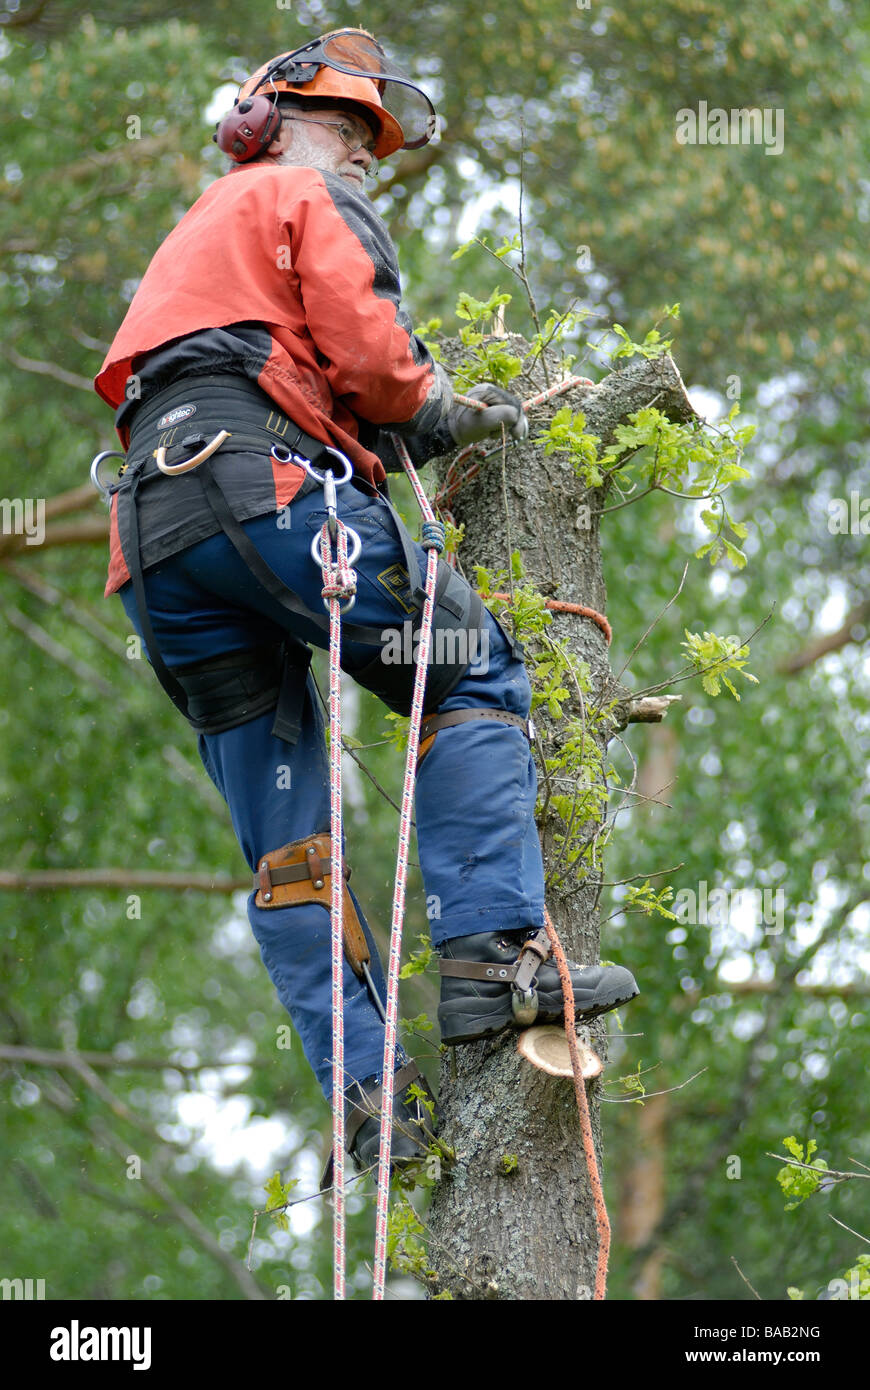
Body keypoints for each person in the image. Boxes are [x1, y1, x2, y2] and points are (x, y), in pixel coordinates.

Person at [93, 27, 638, 1175]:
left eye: (372, 145)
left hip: (155, 538)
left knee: (288, 836)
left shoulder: (192, 242)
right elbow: (376, 362)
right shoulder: (296, 195)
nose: (362, 158)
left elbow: (265, 365)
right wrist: (439, 409)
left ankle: (370, 1094)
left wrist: (372, 423)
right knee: (469, 669)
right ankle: (493, 962)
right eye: (349, 130)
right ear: (268, 127)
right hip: (261, 495)